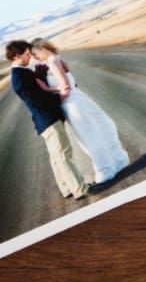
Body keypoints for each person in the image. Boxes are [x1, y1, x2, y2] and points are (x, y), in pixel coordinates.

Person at [30, 39, 130, 184]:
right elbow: (72, 82)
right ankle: (118, 160)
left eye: (35, 53)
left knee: (88, 136)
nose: (35, 57)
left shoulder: (51, 62)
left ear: (41, 49)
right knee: (99, 128)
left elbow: (65, 86)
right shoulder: (58, 58)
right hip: (79, 98)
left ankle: (106, 169)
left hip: (71, 103)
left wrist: (54, 96)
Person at [5, 40, 91, 200]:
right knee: (63, 153)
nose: (30, 57)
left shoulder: (22, 73)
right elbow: (37, 101)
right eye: (27, 55)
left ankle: (66, 188)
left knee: (56, 156)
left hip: (44, 119)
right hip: (48, 118)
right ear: (16, 56)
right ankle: (80, 188)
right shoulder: (20, 77)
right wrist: (59, 97)